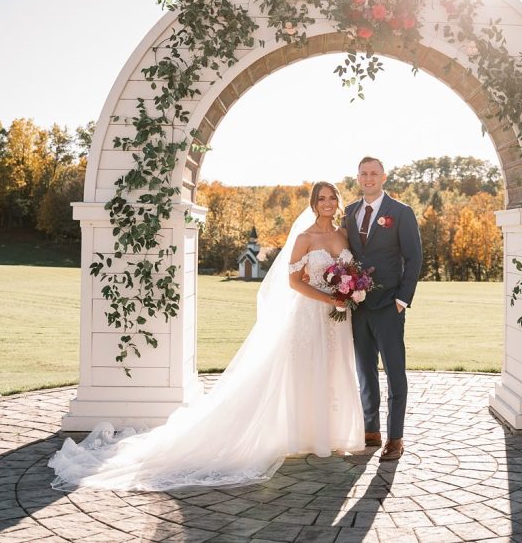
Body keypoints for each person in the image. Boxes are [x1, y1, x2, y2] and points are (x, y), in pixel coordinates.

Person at [48, 182, 364, 491]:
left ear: (338, 202)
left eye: (331, 198)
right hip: (311, 316)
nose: (327, 203)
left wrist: (350, 292)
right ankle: (302, 436)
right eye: (321, 198)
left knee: (332, 372)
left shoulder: (343, 234)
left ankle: (329, 435)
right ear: (313, 204)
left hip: (337, 320)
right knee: (304, 374)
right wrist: (329, 299)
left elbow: (351, 271)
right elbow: (295, 282)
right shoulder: (305, 237)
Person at [344, 157, 423, 462]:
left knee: (394, 373)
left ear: (384, 177)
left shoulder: (401, 212)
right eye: (363, 173)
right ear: (358, 177)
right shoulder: (349, 213)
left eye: (374, 173)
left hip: (390, 305)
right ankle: (371, 429)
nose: (368, 178)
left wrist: (402, 300)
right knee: (365, 372)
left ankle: (396, 437)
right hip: (359, 306)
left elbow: (414, 258)